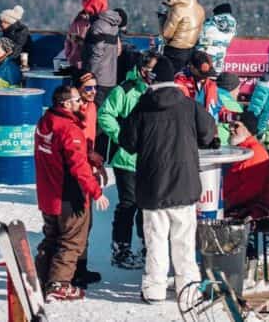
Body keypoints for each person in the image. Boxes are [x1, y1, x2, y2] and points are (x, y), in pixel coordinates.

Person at [119, 58, 217, 304]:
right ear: (173, 79)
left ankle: (154, 290)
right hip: (184, 184)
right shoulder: (188, 105)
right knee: (184, 242)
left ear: (153, 79)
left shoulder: (142, 107)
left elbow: (127, 142)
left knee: (156, 242)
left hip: (153, 187)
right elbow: (208, 133)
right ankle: (189, 290)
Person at [34, 85, 109, 301]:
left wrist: (89, 155)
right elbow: (78, 168)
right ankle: (59, 284)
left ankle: (39, 277)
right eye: (77, 100)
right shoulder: (68, 128)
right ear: (66, 104)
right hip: (68, 195)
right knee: (72, 240)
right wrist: (96, 192)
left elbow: (65, 154)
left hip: (48, 193)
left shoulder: (45, 121)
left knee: (52, 237)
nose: (81, 103)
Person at [97, 53, 155, 270]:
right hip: (127, 159)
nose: (153, 76)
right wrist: (121, 136)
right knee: (128, 204)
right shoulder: (126, 89)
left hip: (150, 158)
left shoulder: (158, 90)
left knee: (147, 206)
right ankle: (121, 248)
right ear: (141, 70)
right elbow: (105, 114)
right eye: (149, 70)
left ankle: (146, 246)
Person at [74, 72, 106, 289]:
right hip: (78, 171)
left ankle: (81, 267)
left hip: (90, 166)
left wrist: (97, 163)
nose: (93, 92)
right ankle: (72, 269)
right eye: (88, 89)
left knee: (88, 223)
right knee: (78, 222)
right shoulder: (75, 112)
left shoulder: (93, 108)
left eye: (95, 88)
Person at [222, 111, 269, 221]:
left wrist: (225, 203)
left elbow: (251, 190)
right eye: (230, 126)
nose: (231, 129)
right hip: (235, 204)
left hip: (247, 208)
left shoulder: (255, 152)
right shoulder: (241, 149)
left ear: (248, 130)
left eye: (236, 126)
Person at [159, 0, 205, 74]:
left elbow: (166, 34)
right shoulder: (200, 9)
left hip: (174, 51)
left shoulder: (178, 9)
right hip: (190, 51)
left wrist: (162, 18)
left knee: (168, 78)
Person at [81, 7, 122, 108]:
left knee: (94, 110)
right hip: (110, 78)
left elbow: (96, 54)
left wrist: (90, 76)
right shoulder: (114, 25)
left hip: (98, 79)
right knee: (105, 112)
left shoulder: (97, 25)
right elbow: (115, 50)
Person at [65, 0, 108, 74]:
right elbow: (69, 40)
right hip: (86, 67)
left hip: (84, 66)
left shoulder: (78, 21)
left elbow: (69, 40)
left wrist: (70, 55)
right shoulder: (104, 23)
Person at [175, 51, 219, 119]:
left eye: (206, 74)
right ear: (191, 67)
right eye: (201, 74)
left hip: (206, 125)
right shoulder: (180, 82)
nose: (204, 77)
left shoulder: (211, 84)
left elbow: (217, 107)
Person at [197, 2, 237, 73]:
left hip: (206, 52)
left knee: (202, 74)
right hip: (220, 54)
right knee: (216, 74)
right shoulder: (233, 24)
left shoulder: (211, 22)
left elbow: (201, 35)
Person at [0, 5, 31, 71]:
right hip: (9, 59)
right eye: (0, 22)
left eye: (3, 22)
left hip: (21, 60)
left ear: (9, 22)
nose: (0, 24)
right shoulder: (7, 31)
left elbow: (17, 49)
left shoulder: (21, 31)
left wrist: (3, 59)